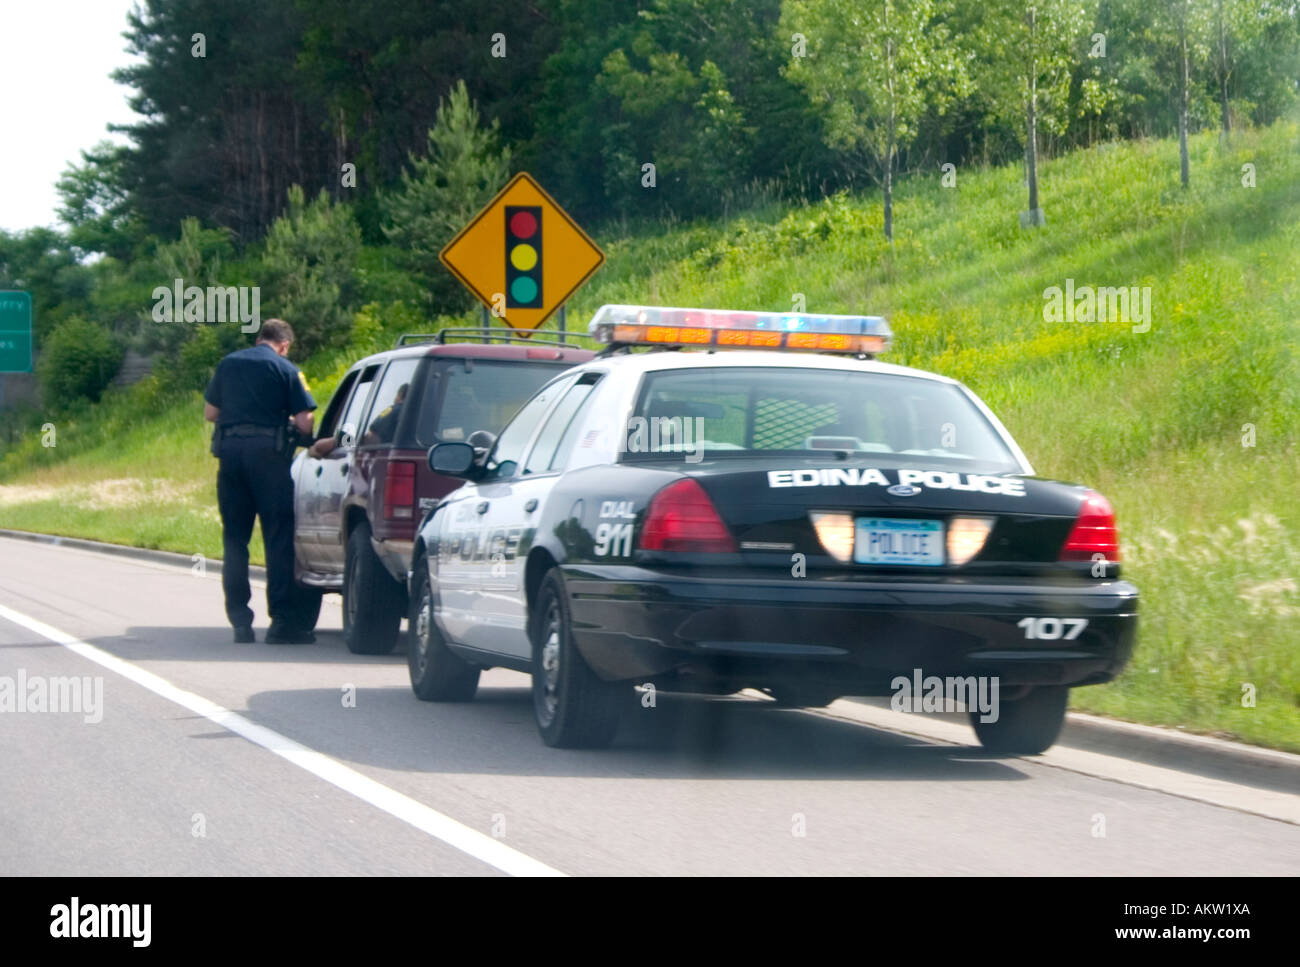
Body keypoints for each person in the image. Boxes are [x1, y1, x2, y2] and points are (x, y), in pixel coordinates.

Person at [203, 319, 317, 644]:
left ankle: (240, 622)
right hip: (269, 459)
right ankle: (282, 623)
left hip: (231, 458)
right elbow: (305, 422)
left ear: (259, 339)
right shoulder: (286, 368)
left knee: (235, 540)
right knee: (278, 538)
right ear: (284, 344)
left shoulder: (229, 363)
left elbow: (211, 413)